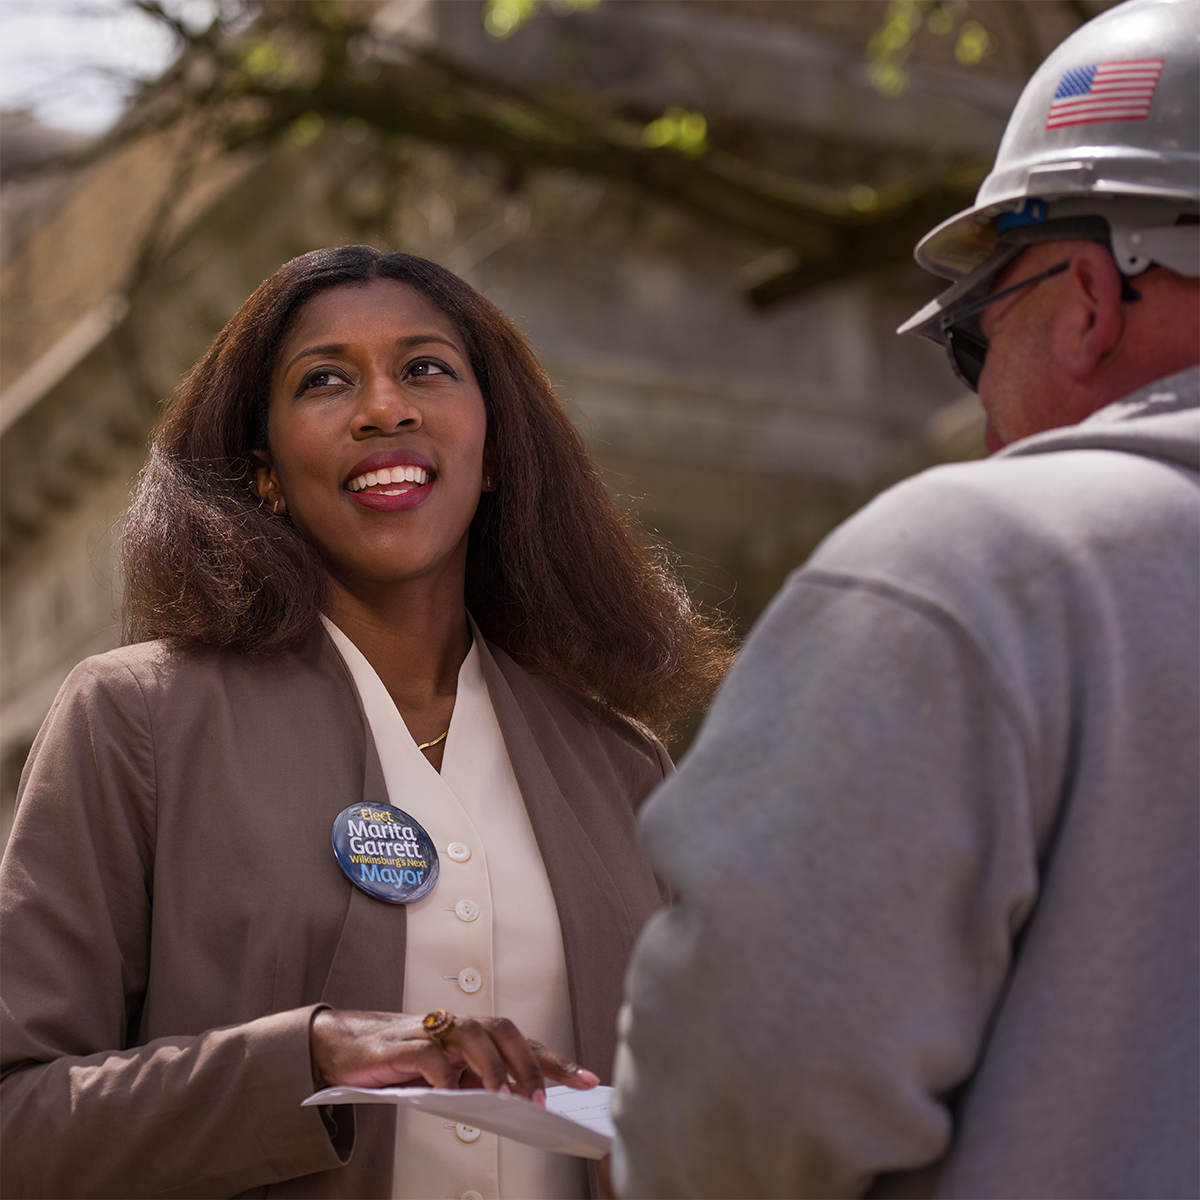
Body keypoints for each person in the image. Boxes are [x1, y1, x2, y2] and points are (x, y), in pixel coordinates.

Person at [609, 3, 1200, 1198]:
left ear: (1088, 296)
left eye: (976, 341)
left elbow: (747, 1093)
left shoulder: (979, 567)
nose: (986, 420)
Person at [0, 246, 730, 1200]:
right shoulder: (137, 720)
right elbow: (18, 1120)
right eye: (325, 381)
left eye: (426, 368)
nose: (385, 407)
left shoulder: (620, 766)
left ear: (497, 449)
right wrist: (308, 1059)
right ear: (263, 472)